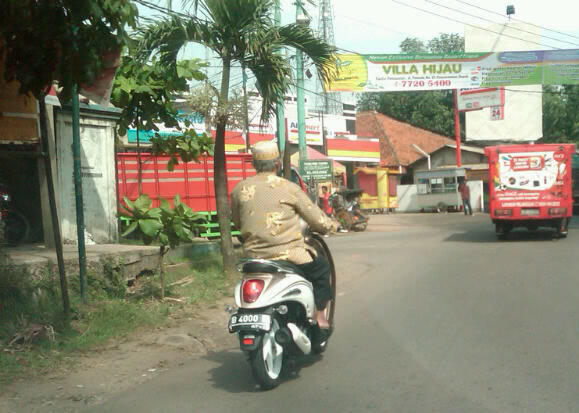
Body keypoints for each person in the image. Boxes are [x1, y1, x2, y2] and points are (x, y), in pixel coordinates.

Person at [231, 141, 338, 329]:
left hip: (252, 256)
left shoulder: (240, 189)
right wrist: (332, 226)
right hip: (289, 254)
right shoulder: (289, 188)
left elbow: (238, 222)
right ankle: (320, 316)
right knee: (321, 269)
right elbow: (317, 221)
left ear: (254, 164)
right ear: (277, 164)